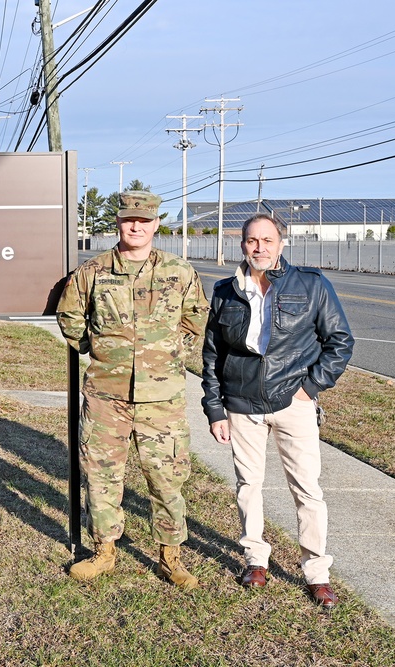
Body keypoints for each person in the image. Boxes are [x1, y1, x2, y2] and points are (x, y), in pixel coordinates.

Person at [56, 191, 208, 589]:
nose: (136, 227)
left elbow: (196, 316)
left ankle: (169, 555)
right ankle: (104, 550)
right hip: (107, 395)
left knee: (166, 477)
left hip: (163, 398)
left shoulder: (180, 271)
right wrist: (99, 350)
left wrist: (172, 354)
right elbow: (70, 316)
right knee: (102, 475)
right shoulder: (93, 271)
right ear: (119, 224)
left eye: (144, 220)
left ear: (157, 224)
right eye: (128, 220)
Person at [201, 213, 353, 610]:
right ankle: (255, 561)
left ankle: (317, 573)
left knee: (307, 489)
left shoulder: (312, 285)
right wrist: (215, 408)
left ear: (281, 244)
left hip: (294, 403)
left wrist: (310, 388)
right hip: (241, 404)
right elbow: (213, 354)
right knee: (248, 486)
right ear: (242, 245)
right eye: (252, 240)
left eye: (268, 240)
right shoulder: (225, 291)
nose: (260, 247)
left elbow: (340, 341)